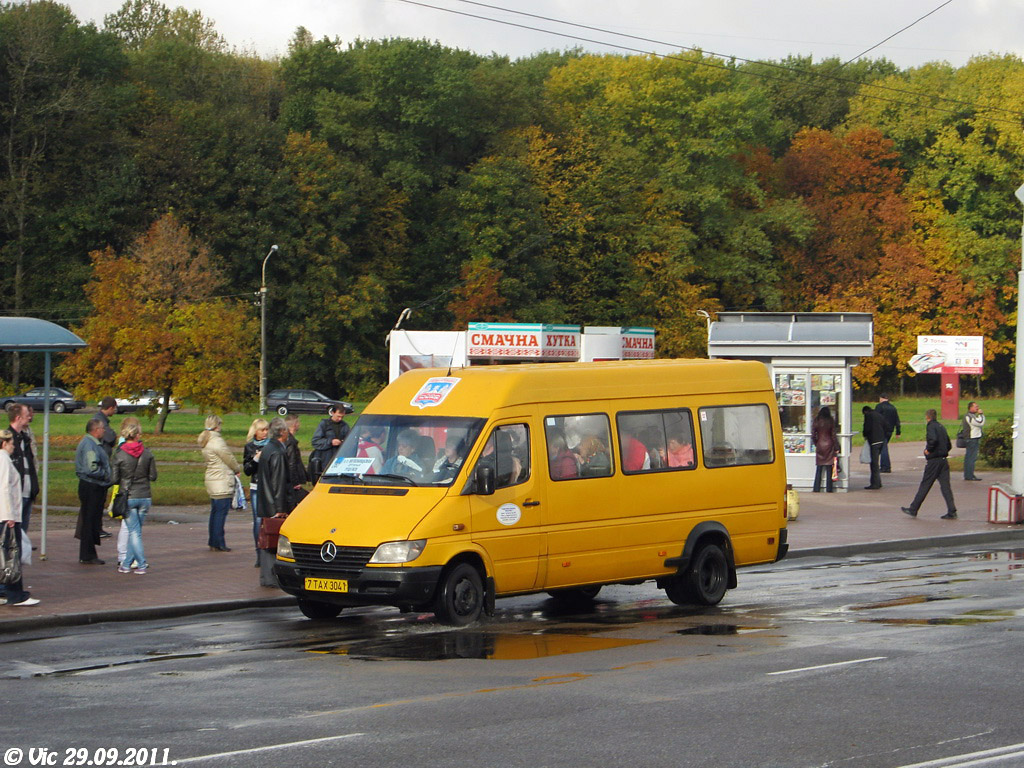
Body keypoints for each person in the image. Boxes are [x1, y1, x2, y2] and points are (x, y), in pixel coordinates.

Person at [110, 421, 157, 574]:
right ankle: (126, 564)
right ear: (137, 435)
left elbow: (114, 479)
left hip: (128, 496)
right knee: (135, 532)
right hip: (145, 496)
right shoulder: (147, 453)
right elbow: (153, 476)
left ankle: (141, 564)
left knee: (134, 532)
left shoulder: (119, 454)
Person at [0, 429, 39, 606]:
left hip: (5, 514)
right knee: (12, 553)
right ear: (4, 444)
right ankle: (15, 595)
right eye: (11, 444)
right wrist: (10, 516)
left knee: (5, 553)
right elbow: (5, 489)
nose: (13, 447)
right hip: (7, 516)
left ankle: (6, 592)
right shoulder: (4, 461)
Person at [902, 409, 957, 520]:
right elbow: (948, 444)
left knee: (925, 484)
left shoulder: (931, 426)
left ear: (927, 417)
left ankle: (913, 509)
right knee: (945, 486)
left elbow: (933, 439)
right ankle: (952, 510)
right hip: (943, 460)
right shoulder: (941, 427)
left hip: (934, 461)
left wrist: (928, 450)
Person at [198, 414, 241, 552]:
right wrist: (236, 469)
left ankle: (213, 541)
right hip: (221, 479)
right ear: (217, 426)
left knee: (215, 512)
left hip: (212, 478)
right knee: (221, 513)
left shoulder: (206, 440)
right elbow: (228, 457)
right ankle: (219, 542)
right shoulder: (217, 441)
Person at [256, 418, 290, 587]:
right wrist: (280, 508)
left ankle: (266, 577)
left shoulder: (268, 448)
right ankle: (271, 579)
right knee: (273, 540)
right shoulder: (277, 452)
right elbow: (278, 482)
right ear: (283, 432)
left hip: (265, 501)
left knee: (266, 539)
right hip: (273, 504)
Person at [74, 417, 112, 564]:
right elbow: (92, 468)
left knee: (90, 519)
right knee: (89, 520)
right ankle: (87, 554)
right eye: (102, 428)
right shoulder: (90, 445)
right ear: (96, 430)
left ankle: (88, 553)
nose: (104, 431)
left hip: (92, 485)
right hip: (92, 486)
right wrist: (107, 475)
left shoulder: (91, 443)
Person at [7, 403, 38, 533]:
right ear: (18, 418)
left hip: (28, 491)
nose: (29, 417)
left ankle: (20, 551)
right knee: (13, 533)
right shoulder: (8, 440)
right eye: (26, 415)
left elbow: (31, 464)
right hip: (15, 493)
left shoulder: (25, 439)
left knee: (23, 531)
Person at [243, 418, 270, 561]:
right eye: (262, 430)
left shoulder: (272, 445)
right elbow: (247, 470)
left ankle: (269, 551)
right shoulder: (249, 447)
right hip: (256, 486)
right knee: (258, 520)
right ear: (256, 431)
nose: (265, 433)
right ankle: (259, 553)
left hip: (270, 486)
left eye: (267, 430)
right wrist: (256, 459)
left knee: (270, 519)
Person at [309, 404, 350, 480]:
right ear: (333, 413)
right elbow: (315, 441)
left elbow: (350, 442)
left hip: (340, 458)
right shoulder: (324, 424)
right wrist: (330, 442)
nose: (340, 419)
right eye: (338, 416)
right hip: (325, 458)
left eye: (342, 417)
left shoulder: (345, 426)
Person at [283, 414, 307, 510]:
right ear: (295, 424)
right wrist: (295, 482)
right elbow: (292, 463)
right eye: (298, 422)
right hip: (292, 482)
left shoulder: (286, 439)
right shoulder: (291, 442)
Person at [812, 406, 838, 493]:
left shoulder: (817, 420)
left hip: (820, 444)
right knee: (829, 468)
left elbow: (813, 434)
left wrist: (816, 443)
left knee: (819, 468)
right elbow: (833, 435)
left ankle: (816, 488)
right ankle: (829, 488)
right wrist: (837, 447)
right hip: (829, 444)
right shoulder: (830, 420)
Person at [876, 393, 901, 474]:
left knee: (883, 448)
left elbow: (875, 418)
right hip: (890, 430)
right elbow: (897, 420)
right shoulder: (893, 407)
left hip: (881, 430)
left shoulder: (879, 407)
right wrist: (898, 431)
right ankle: (884, 465)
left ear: (881, 398)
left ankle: (885, 467)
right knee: (884, 446)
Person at [861, 405, 885, 490]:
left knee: (874, 464)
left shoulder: (868, 416)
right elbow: (886, 425)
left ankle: (875, 483)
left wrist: (865, 435)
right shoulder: (879, 415)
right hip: (881, 440)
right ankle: (878, 482)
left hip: (874, 441)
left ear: (865, 411)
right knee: (876, 463)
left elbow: (867, 428)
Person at [963, 401, 985, 481]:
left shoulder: (972, 416)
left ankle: (969, 474)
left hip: (973, 439)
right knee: (971, 458)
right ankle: (969, 475)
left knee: (969, 457)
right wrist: (981, 414)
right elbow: (980, 423)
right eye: (976, 406)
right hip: (971, 439)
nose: (977, 408)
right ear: (970, 407)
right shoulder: (969, 416)